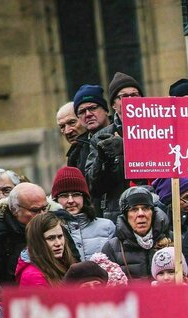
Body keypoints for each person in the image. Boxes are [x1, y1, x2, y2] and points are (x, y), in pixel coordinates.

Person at [86, 73, 144, 222]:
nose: (130, 100)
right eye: (123, 97)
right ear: (113, 104)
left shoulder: (157, 130)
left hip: (149, 208)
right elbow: (94, 187)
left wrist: (127, 148)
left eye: (134, 95)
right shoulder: (100, 136)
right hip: (117, 214)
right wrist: (102, 159)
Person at [0, 183, 50, 285]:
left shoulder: (51, 225)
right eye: (35, 210)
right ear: (14, 209)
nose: (42, 215)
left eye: (45, 208)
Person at [100, 187, 171, 280]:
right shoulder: (112, 248)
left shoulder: (173, 239)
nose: (141, 214)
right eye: (134, 209)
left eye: (145, 208)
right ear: (125, 215)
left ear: (152, 212)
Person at [50, 166, 115, 260]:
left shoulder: (107, 227)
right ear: (56, 200)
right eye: (64, 196)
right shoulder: (49, 230)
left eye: (76, 195)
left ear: (84, 197)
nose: (70, 200)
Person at [15, 213, 78, 287]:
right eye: (51, 238)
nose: (58, 243)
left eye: (60, 236)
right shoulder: (33, 276)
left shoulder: (65, 263)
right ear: (37, 242)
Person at [57, 101, 90, 176]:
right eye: (62, 127)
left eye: (72, 122)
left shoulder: (96, 145)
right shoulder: (74, 154)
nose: (67, 131)